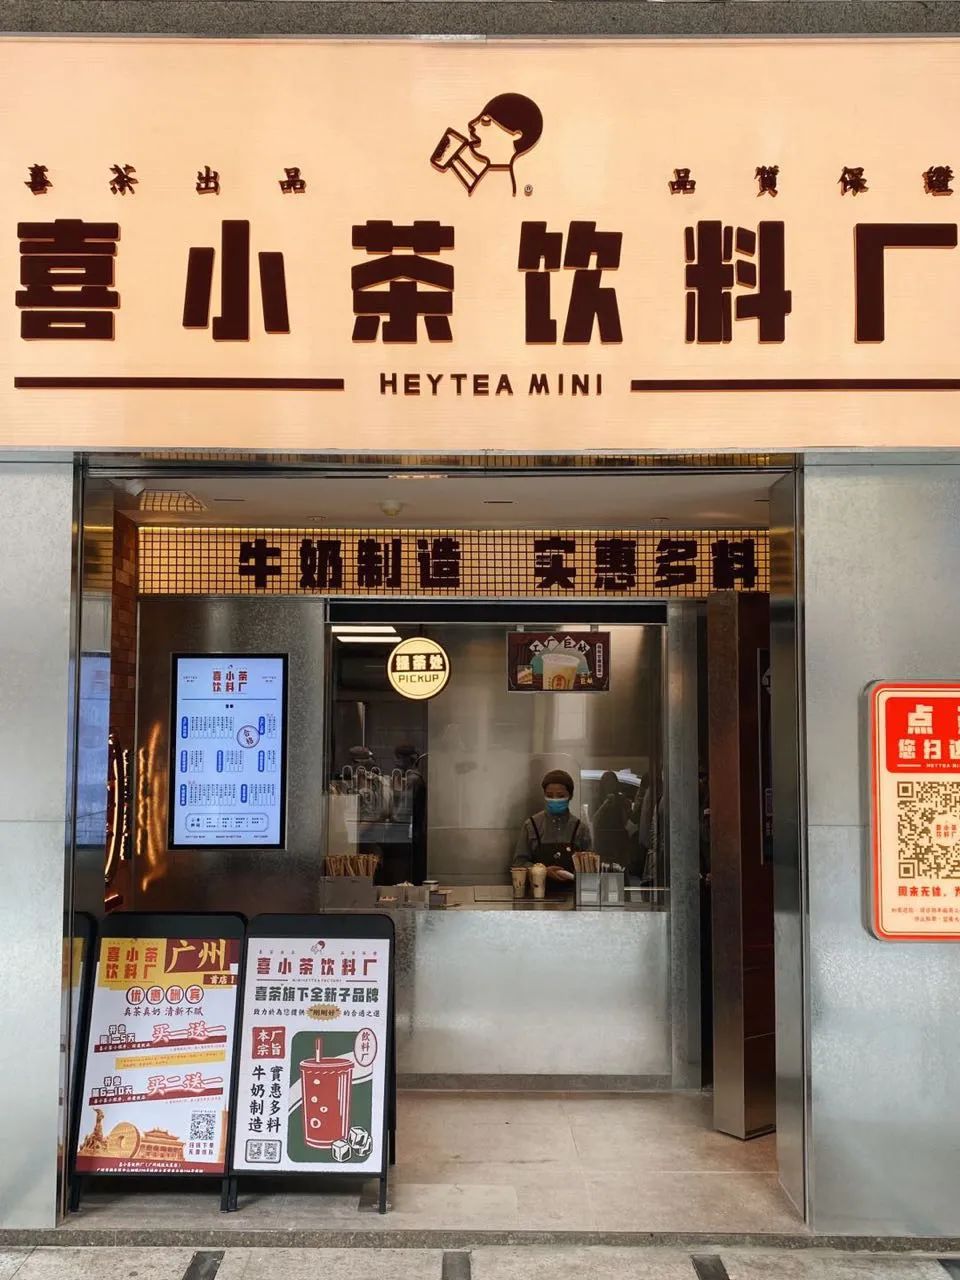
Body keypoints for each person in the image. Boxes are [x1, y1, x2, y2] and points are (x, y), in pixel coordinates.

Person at [513, 768, 593, 891]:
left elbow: (590, 868)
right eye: (550, 795)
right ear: (544, 795)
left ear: (570, 796)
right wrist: (543, 871)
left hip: (572, 896)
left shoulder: (580, 829)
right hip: (538, 896)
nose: (555, 799)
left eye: (561, 796)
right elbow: (519, 864)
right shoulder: (531, 825)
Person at [592, 770, 635, 868]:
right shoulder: (596, 800)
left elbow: (626, 822)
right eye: (607, 783)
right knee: (603, 869)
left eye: (612, 783)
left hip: (619, 840)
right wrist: (605, 805)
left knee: (620, 870)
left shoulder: (621, 800)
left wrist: (624, 805)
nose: (610, 786)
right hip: (602, 840)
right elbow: (594, 820)